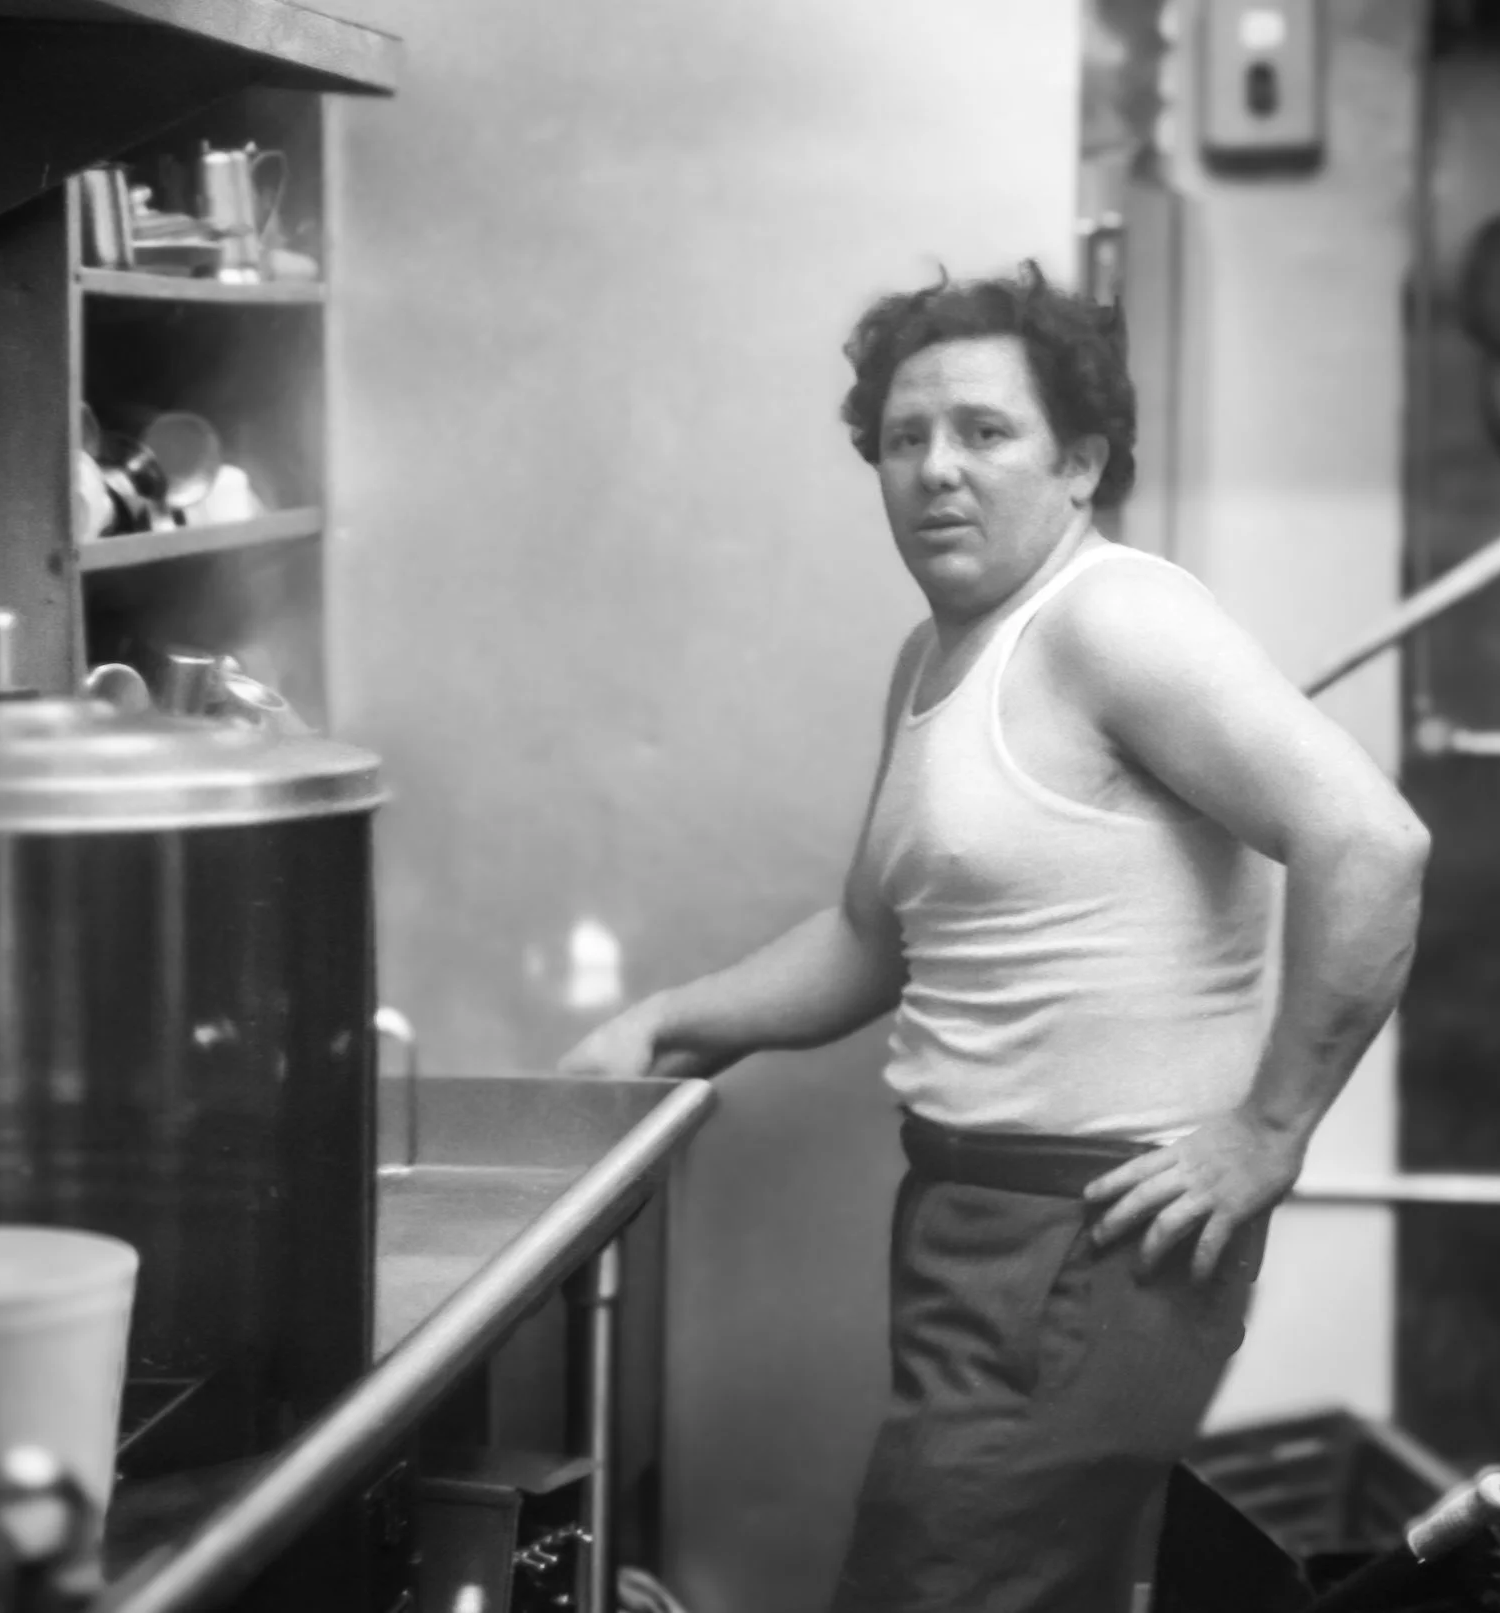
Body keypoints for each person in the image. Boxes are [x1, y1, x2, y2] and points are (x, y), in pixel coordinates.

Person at [560, 262, 1429, 1613]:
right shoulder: (938, 655)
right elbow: (873, 938)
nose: (935, 471)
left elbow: (1371, 846)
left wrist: (1268, 1131)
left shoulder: (1114, 620)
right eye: (904, 440)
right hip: (971, 1227)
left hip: (1085, 1241)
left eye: (983, 431)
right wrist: (671, 1023)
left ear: (1080, 463)